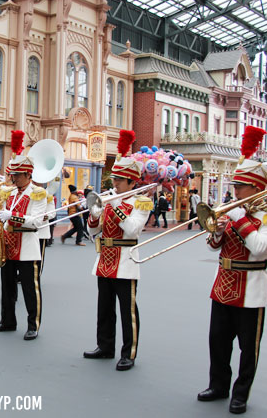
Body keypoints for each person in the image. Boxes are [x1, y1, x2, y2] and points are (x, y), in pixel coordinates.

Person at [197, 126, 267, 415]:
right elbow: (213, 248)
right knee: (218, 342)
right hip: (223, 283)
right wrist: (218, 231)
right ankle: (218, 385)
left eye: (239, 187)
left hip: (251, 288)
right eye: (234, 187)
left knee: (249, 348)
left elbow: (260, 248)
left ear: (256, 188)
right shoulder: (232, 211)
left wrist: (240, 221)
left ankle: (241, 394)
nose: (234, 191)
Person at [83, 129, 152, 371]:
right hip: (105, 259)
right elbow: (93, 233)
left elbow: (133, 230)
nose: (114, 185)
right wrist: (93, 214)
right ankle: (105, 346)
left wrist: (115, 206)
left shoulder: (141, 202)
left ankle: (129, 353)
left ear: (132, 182)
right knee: (104, 308)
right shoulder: (111, 200)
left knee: (127, 311)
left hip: (126, 260)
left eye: (119, 181)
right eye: (114, 181)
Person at [0, 130, 47, 340]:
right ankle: (7, 321)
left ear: (28, 175)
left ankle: (33, 325)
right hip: (8, 245)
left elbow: (36, 220)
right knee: (7, 287)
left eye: (17, 175)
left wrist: (13, 215)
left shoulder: (38, 193)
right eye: (12, 175)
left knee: (29, 289)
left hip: (26, 245)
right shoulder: (9, 193)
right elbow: (0, 214)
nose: (13, 178)